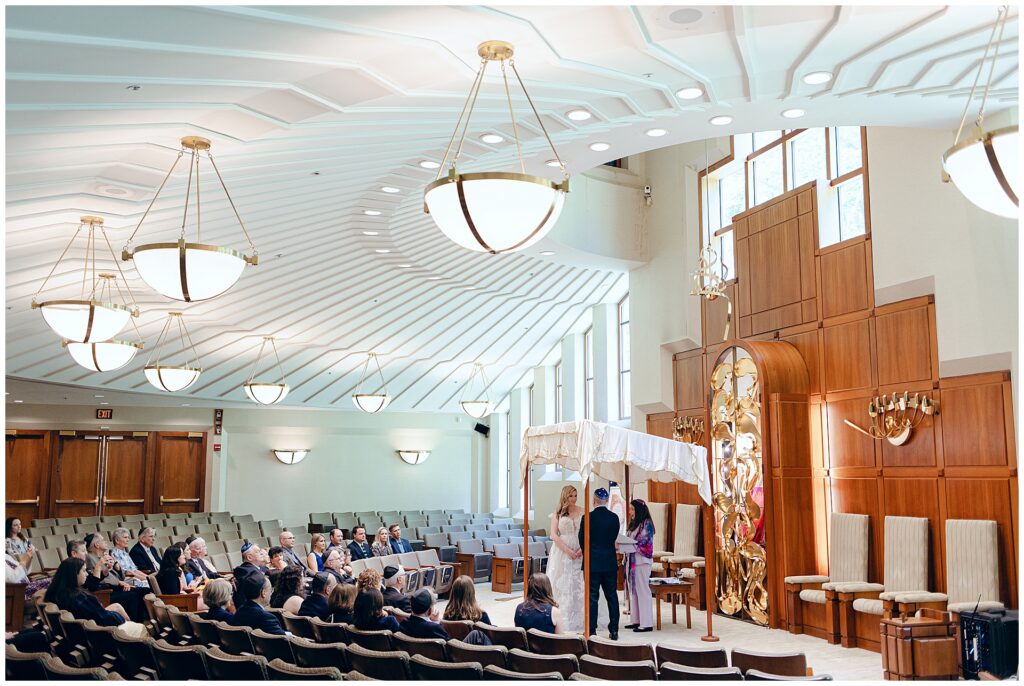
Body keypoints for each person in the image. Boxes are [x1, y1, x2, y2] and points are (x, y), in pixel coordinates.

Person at [44, 558, 147, 637]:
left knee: (117, 606)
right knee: (142, 628)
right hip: (102, 634)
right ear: (74, 574)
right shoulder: (78, 598)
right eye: (84, 571)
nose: (86, 574)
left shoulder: (55, 593)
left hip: (85, 631)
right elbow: (104, 619)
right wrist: (120, 618)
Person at [578, 487, 621, 639]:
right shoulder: (614, 518)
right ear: (607, 501)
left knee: (592, 597)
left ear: (594, 500)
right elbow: (613, 537)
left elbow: (582, 540)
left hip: (592, 563)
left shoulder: (587, 518)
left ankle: (591, 630)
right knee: (612, 596)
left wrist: (589, 553)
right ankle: (614, 630)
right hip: (609, 562)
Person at [546, 484, 584, 633]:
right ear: (565, 496)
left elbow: (588, 531)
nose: (573, 499)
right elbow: (554, 535)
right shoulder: (557, 513)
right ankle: (562, 616)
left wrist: (581, 549)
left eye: (575, 495)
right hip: (562, 551)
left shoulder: (582, 511)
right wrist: (568, 550)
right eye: (571, 496)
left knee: (578, 583)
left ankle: (580, 616)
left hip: (580, 549)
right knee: (562, 582)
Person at [623, 498, 655, 633]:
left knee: (642, 590)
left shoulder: (647, 524)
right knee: (634, 591)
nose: (630, 511)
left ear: (639, 510)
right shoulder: (633, 523)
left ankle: (646, 623)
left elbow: (644, 542)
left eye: (632, 509)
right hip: (632, 561)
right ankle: (636, 620)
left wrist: (628, 544)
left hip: (642, 561)